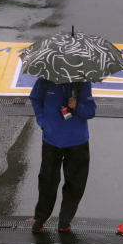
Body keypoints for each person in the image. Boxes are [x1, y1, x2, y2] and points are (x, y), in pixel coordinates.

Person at [29, 78, 96, 233]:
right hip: (51, 141)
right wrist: (42, 121)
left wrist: (76, 106)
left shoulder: (82, 83)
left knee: (76, 183)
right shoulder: (45, 81)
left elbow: (91, 111)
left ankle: (65, 221)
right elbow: (35, 99)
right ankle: (40, 218)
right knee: (47, 181)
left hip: (77, 142)